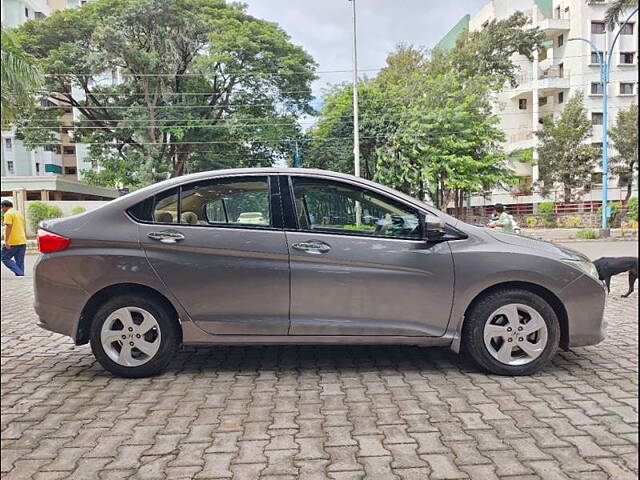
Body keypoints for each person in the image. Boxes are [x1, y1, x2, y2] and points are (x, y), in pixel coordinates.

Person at [1, 200, 27, 276]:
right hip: (22, 240)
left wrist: (6, 241)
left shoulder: (8, 214)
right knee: (20, 262)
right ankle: (20, 278)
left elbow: (8, 227)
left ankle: (20, 273)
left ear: (5, 206)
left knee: (4, 257)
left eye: (2, 208)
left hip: (13, 241)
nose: (2, 210)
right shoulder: (18, 213)